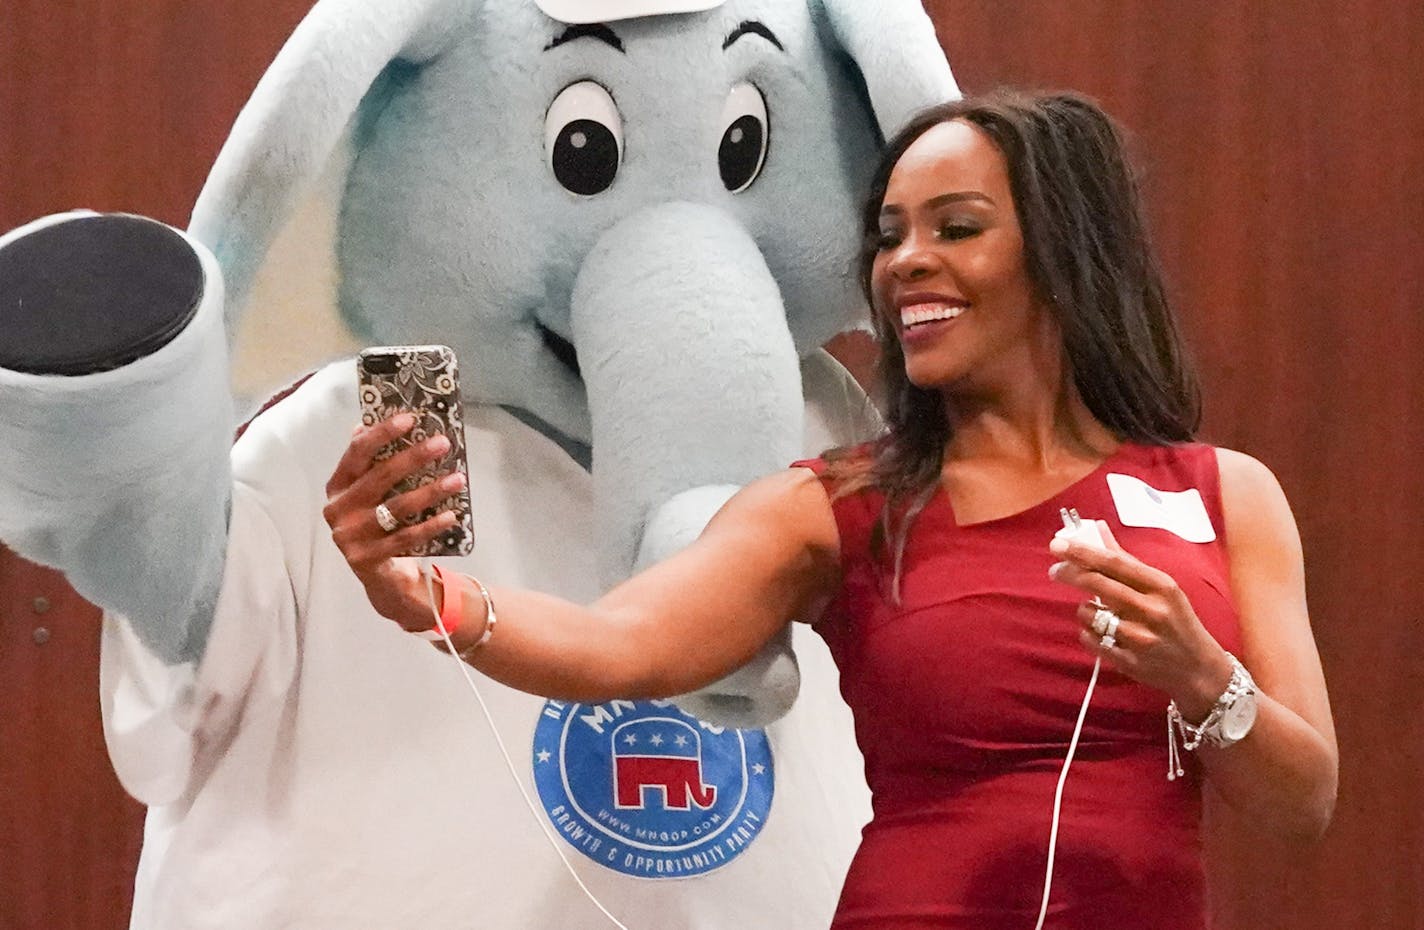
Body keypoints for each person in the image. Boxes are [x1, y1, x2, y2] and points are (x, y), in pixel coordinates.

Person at [325, 90, 1337, 929]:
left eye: (956, 228)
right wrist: (428, 596)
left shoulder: (1222, 493)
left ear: (1064, 254)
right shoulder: (839, 505)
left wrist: (1201, 678)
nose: (904, 263)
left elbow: (1303, 802)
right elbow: (614, 646)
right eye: (888, 235)